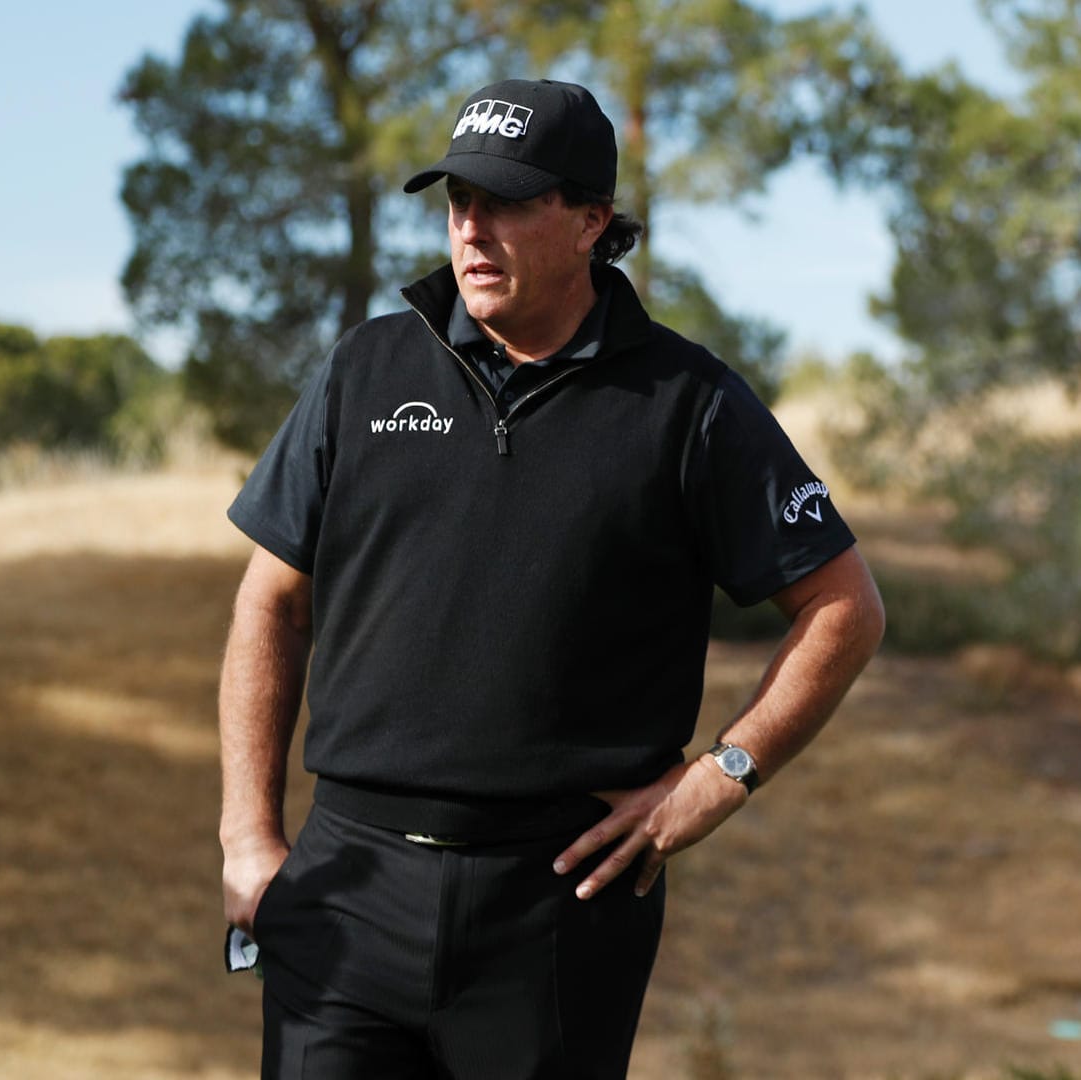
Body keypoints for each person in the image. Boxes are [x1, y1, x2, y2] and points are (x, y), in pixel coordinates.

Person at [217, 78, 884, 1078]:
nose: (472, 229)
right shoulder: (364, 370)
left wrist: (721, 777)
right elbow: (271, 601)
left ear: (591, 221)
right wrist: (247, 837)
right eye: (457, 202)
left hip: (558, 906)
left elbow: (843, 606)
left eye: (508, 202)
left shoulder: (688, 402)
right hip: (344, 885)